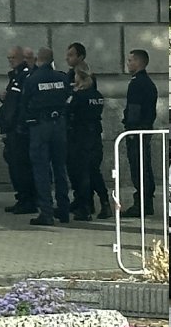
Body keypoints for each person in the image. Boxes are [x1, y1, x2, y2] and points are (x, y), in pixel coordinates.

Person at [22, 47, 71, 226]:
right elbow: (67, 96)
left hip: (40, 127)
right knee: (60, 168)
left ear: (37, 59)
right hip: (60, 125)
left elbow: (25, 103)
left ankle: (46, 212)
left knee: (41, 170)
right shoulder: (62, 77)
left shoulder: (32, 79)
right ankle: (64, 210)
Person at [68, 64, 111, 221]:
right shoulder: (98, 95)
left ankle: (85, 208)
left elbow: (68, 110)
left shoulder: (79, 96)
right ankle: (105, 203)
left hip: (81, 137)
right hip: (95, 137)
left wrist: (73, 94)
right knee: (94, 171)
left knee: (83, 173)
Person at [0, 46, 37, 214]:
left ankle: (28, 200)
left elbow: (20, 104)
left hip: (19, 130)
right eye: (9, 58)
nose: (10, 61)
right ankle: (22, 197)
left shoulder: (25, 76)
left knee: (22, 166)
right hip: (12, 128)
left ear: (22, 58)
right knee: (15, 166)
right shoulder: (15, 77)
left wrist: (15, 125)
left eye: (13, 57)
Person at [122, 49, 158, 217]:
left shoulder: (137, 83)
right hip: (145, 128)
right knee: (145, 165)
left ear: (138, 62)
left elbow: (134, 109)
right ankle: (147, 201)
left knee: (139, 167)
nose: (128, 63)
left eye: (130, 60)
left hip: (137, 130)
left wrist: (130, 129)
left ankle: (141, 203)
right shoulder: (148, 82)